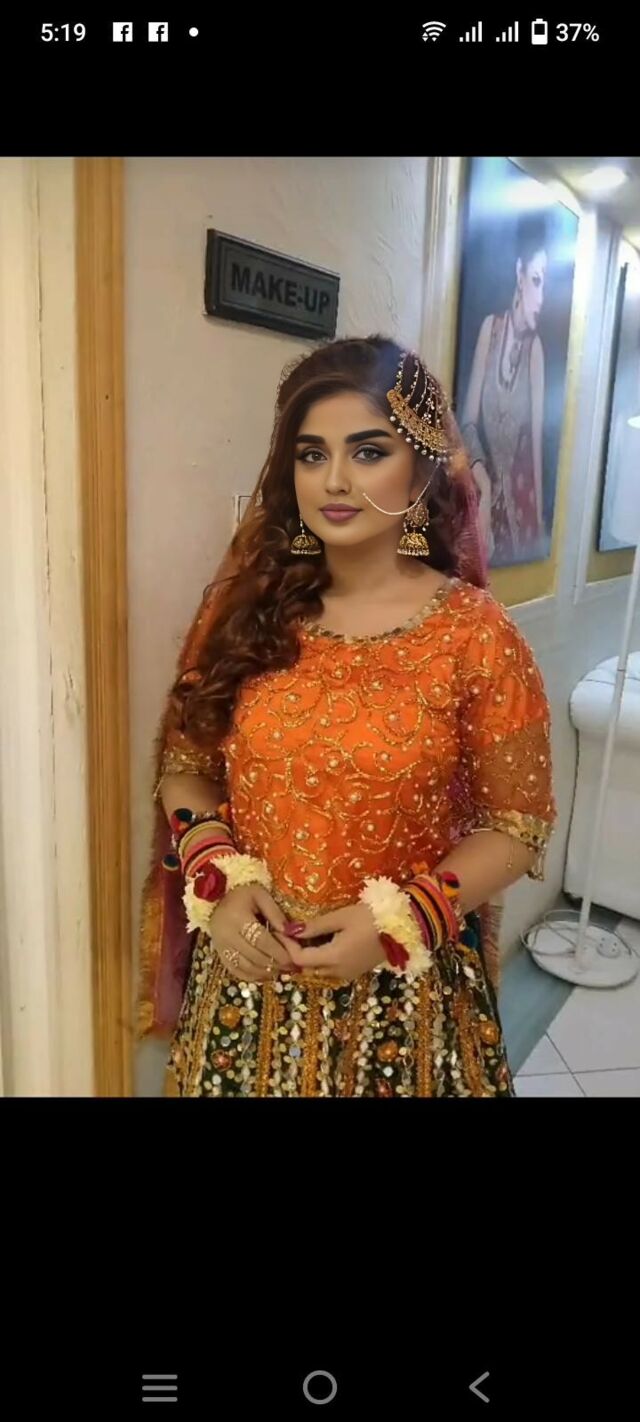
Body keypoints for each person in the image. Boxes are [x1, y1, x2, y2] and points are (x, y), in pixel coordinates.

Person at [137, 335, 557, 1097]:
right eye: (310, 454)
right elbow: (186, 768)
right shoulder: (246, 612)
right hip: (247, 987)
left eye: (367, 452)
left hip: (404, 996)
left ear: (421, 468)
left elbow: (516, 824)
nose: (333, 479)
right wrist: (216, 880)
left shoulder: (476, 635)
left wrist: (402, 920)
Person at [461, 215, 548, 565]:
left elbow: (537, 452)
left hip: (521, 515)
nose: (542, 298)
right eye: (537, 281)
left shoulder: (535, 352)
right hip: (484, 500)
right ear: (519, 274)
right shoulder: (491, 330)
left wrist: (538, 535)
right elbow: (466, 423)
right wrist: (483, 484)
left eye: (546, 285)